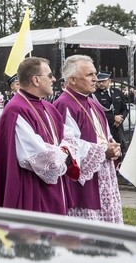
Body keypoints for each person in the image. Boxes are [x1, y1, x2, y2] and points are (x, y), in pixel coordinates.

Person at [0, 57, 80, 215]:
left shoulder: (48, 107)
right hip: (32, 188)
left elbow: (70, 136)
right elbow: (37, 156)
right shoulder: (16, 110)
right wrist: (64, 151)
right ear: (36, 80)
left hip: (56, 185)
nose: (54, 79)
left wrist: (64, 149)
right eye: (50, 75)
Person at [53, 55, 123, 224]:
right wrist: (102, 151)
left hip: (104, 172)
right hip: (83, 181)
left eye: (95, 74)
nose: (95, 79)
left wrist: (113, 146)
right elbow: (69, 145)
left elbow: (103, 135)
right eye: (89, 75)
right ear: (73, 79)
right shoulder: (64, 104)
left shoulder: (93, 103)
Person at [93, 72, 128, 163]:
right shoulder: (94, 95)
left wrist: (121, 118)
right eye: (99, 82)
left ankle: (121, 166)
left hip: (118, 125)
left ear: (109, 81)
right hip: (106, 126)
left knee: (122, 146)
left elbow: (124, 109)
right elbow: (96, 112)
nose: (101, 83)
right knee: (110, 148)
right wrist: (113, 118)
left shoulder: (116, 92)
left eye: (103, 81)